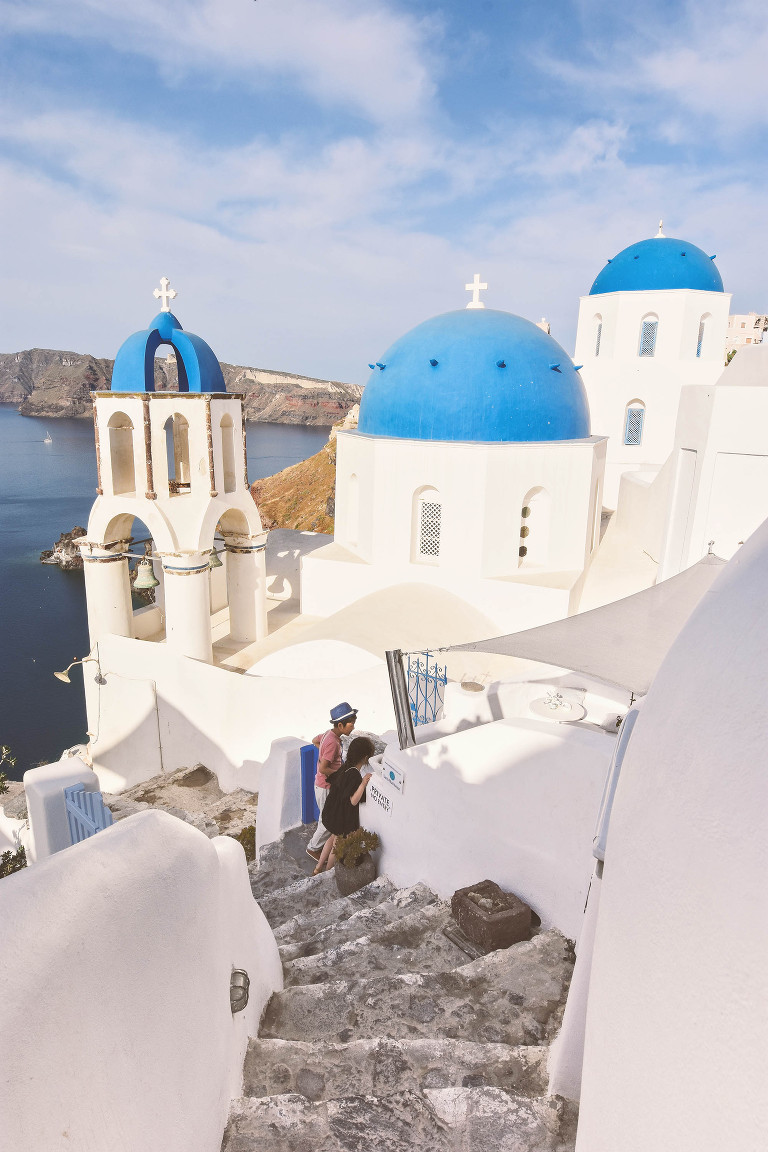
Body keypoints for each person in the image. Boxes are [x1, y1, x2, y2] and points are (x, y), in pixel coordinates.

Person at [312, 736, 375, 875]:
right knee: (336, 846)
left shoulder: (345, 767)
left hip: (332, 811)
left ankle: (317, 868)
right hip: (341, 818)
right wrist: (363, 783)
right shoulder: (355, 775)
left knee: (331, 839)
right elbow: (353, 801)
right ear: (365, 758)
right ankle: (327, 872)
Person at [305, 702, 358, 861]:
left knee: (326, 817)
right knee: (327, 821)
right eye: (351, 724)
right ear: (340, 725)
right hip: (326, 786)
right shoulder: (333, 743)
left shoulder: (328, 734)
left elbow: (315, 740)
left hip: (321, 785)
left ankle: (318, 846)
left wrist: (323, 752)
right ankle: (313, 848)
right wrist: (342, 775)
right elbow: (323, 768)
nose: (353, 727)